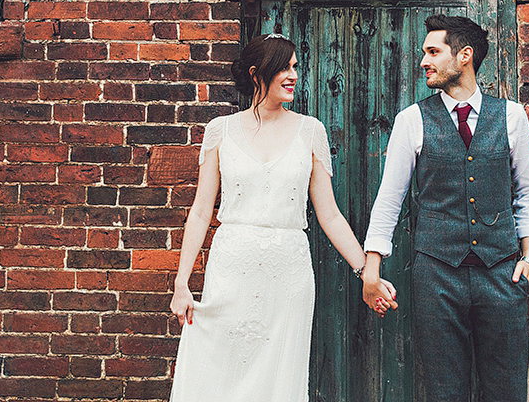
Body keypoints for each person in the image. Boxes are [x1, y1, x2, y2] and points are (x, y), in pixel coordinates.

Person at [168, 33, 396, 402]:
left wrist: (365, 271)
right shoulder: (220, 131)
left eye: (295, 67)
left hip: (287, 271)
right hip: (232, 268)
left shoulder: (311, 131)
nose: (293, 75)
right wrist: (182, 282)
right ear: (257, 74)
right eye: (284, 68)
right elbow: (200, 210)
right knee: (217, 371)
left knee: (278, 379)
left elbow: (330, 214)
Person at [361, 15, 529, 402]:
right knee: (445, 391)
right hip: (437, 276)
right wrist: (371, 270)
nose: (423, 61)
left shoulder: (511, 117)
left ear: (464, 56)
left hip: (503, 273)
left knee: (507, 390)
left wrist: (528, 259)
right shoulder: (412, 120)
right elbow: (389, 199)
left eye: (432, 52)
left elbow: (528, 192)